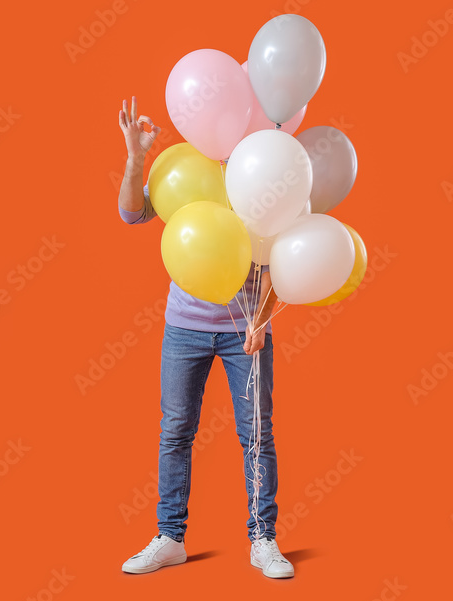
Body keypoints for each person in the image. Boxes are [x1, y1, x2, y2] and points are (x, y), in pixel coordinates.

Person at [116, 97, 294, 579]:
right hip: (185, 327)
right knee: (175, 431)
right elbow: (132, 215)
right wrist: (137, 160)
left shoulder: (267, 170)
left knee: (257, 433)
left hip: (248, 330)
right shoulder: (188, 169)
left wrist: (262, 317)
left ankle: (263, 539)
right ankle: (170, 536)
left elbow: (285, 248)